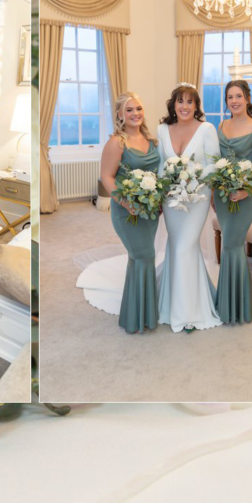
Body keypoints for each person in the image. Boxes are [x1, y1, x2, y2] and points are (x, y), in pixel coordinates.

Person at [155, 83, 222, 333]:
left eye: (189, 102)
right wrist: (168, 182)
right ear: (173, 105)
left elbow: (214, 165)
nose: (184, 106)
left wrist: (191, 175)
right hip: (171, 199)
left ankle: (188, 315)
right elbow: (160, 164)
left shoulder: (207, 129)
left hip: (197, 198)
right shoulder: (162, 129)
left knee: (186, 246)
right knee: (177, 246)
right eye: (180, 101)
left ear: (196, 106)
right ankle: (174, 304)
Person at [99, 92, 161, 333]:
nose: (136, 114)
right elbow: (106, 177)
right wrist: (127, 203)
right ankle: (141, 315)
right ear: (119, 115)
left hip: (149, 211)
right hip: (127, 212)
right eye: (129, 110)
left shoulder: (151, 140)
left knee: (141, 258)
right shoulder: (117, 142)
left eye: (139, 109)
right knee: (143, 255)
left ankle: (136, 313)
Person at [214, 79, 252, 324]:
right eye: (229, 97)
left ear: (247, 98)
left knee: (232, 245)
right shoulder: (221, 125)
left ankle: (237, 307)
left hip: (245, 197)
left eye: (238, 96)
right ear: (226, 101)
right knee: (229, 243)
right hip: (223, 195)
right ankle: (234, 302)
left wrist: (246, 192)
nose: (234, 101)